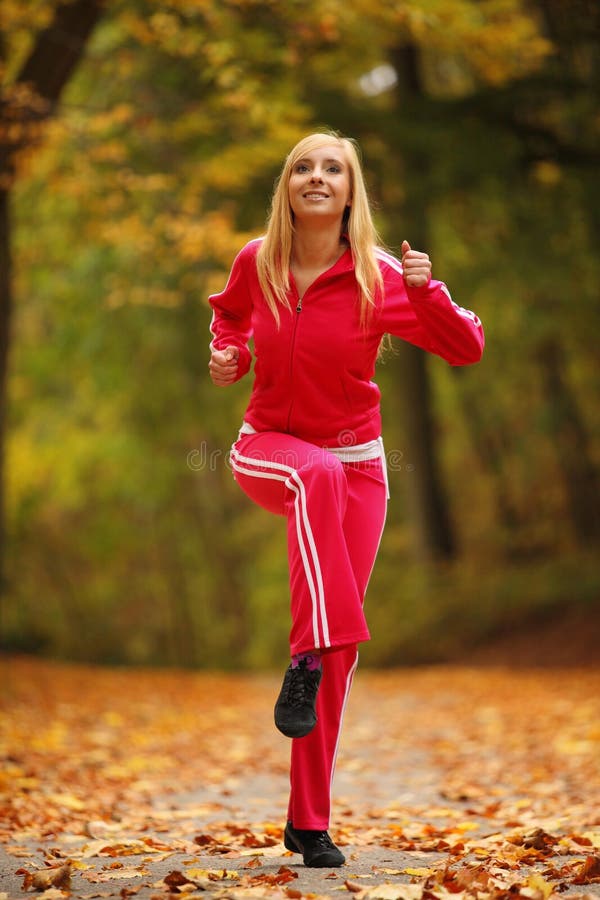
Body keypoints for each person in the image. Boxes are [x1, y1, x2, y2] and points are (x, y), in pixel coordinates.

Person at [208, 131, 484, 868]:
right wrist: (227, 354)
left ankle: (308, 821)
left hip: (361, 466)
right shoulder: (256, 262)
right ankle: (305, 657)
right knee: (314, 480)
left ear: (351, 191)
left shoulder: (380, 275)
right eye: (304, 166)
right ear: (287, 187)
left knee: (337, 649)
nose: (318, 176)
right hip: (268, 450)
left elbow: (465, 348)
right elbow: (228, 316)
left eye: (334, 168)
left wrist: (431, 291)